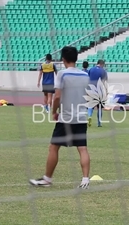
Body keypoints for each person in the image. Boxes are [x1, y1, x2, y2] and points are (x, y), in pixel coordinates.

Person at [29, 46, 91, 189]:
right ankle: (85, 179)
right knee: (82, 148)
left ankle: (47, 179)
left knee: (53, 147)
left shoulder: (62, 74)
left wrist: (54, 111)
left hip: (66, 118)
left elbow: (57, 96)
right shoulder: (85, 76)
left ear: (63, 59)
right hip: (81, 117)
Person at [87, 59, 108, 127]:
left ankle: (89, 116)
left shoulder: (91, 69)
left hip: (91, 89)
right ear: (102, 64)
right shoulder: (103, 71)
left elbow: (87, 79)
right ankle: (99, 123)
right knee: (99, 107)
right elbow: (104, 81)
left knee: (90, 105)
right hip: (99, 91)